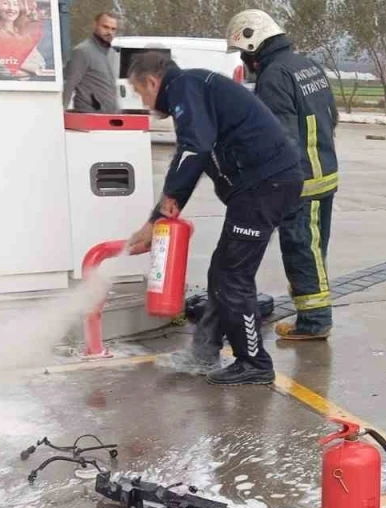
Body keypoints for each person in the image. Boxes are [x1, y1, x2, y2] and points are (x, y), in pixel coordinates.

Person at [124, 52, 303, 385]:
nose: (144, 102)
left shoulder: (183, 87)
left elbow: (195, 149)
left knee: (233, 275)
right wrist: (159, 215)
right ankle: (204, 351)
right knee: (223, 271)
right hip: (261, 186)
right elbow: (191, 153)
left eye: (140, 92)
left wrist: (160, 212)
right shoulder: (192, 87)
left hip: (265, 186)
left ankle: (255, 363)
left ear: (152, 81)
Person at [226, 10, 339, 341]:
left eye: (244, 52)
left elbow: (278, 137)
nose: (245, 61)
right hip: (323, 171)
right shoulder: (307, 65)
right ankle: (311, 313)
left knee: (301, 248)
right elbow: (331, 116)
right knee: (313, 248)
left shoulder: (274, 76)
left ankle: (314, 321)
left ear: (254, 44)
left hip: (301, 181)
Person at [63, 11, 119, 113]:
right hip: (88, 114)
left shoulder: (113, 53)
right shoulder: (82, 51)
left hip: (109, 116)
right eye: (105, 27)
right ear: (95, 25)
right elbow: (69, 84)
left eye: (113, 29)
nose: (109, 32)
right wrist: (59, 115)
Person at [0, 0, 45, 78]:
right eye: (5, 3)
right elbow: (2, 70)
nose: (11, 8)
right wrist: (32, 70)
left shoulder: (24, 33)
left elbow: (41, 64)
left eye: (15, 4)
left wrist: (14, 65)